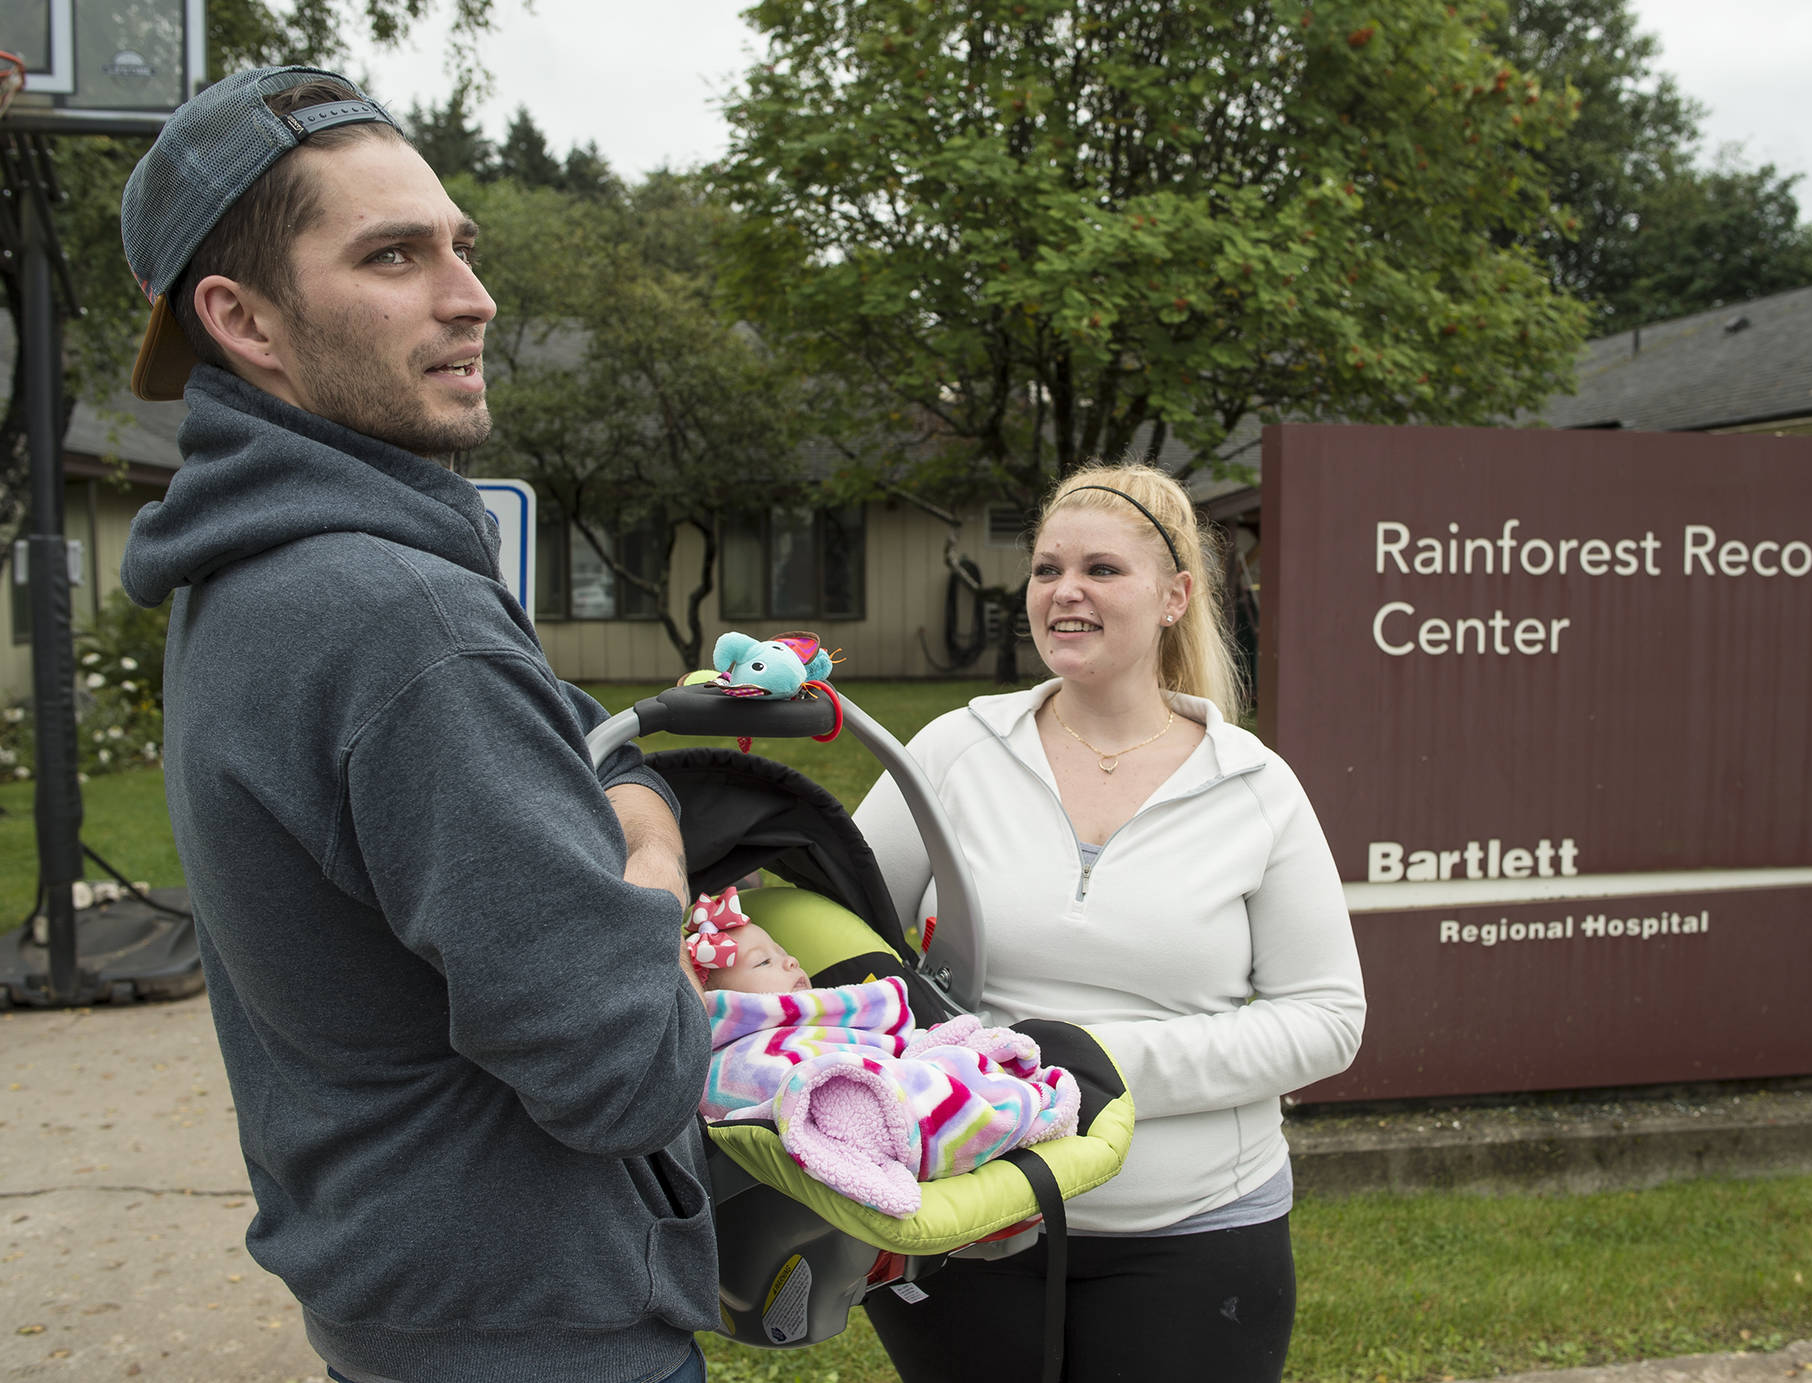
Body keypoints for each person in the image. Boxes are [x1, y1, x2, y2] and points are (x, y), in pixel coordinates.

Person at [116, 68, 716, 1383]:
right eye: (393, 255)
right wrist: (658, 855)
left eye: (462, 245)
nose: (471, 296)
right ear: (245, 320)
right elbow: (626, 1069)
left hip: (404, 1303)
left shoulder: (250, 580)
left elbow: (555, 732)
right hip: (541, 1329)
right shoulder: (401, 623)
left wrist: (615, 800)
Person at [851, 462, 1367, 1382]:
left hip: (1197, 1232)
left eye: (1101, 569)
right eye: (1047, 569)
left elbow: (1327, 1019)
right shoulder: (952, 753)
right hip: (969, 1221)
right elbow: (842, 941)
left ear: (1174, 597)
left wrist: (1088, 1065)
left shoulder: (1253, 786)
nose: (1065, 591)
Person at [688, 890, 1079, 1218]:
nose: (790, 960)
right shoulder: (732, 1060)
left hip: (891, 1070)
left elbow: (894, 1048)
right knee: (894, 1088)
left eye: (782, 950)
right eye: (764, 961)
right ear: (721, 1000)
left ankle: (983, 1095)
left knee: (949, 1054)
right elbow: (761, 1087)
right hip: (852, 1094)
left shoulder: (832, 1019)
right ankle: (984, 1114)